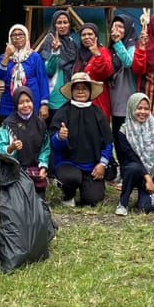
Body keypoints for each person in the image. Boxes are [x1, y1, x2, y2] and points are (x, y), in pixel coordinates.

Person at [49, 72, 113, 207]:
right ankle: (68, 194)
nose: (80, 91)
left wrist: (102, 164)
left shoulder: (98, 114)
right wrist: (60, 137)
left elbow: (108, 143)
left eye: (84, 88)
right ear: (71, 91)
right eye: (77, 88)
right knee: (70, 178)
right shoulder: (62, 112)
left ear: (90, 91)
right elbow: (54, 145)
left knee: (93, 199)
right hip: (68, 163)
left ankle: (88, 189)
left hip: (92, 166)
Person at [114, 93, 154, 215]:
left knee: (145, 208)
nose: (142, 112)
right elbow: (130, 157)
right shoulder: (124, 131)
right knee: (134, 167)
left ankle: (145, 196)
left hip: (153, 172)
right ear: (131, 108)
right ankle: (123, 203)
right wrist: (147, 178)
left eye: (146, 108)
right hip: (133, 172)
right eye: (139, 108)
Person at [0, 86, 50, 195]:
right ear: (16, 104)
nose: (25, 105)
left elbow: (45, 148)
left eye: (28, 101)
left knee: (38, 204)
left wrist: (43, 167)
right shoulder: (8, 125)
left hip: (34, 171)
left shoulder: (40, 125)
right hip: (14, 171)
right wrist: (11, 148)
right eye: (21, 103)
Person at [0, 23, 51, 120]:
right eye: (14, 35)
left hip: (31, 103)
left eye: (21, 34)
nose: (17, 37)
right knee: (8, 133)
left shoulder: (34, 57)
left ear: (26, 37)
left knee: (30, 133)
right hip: (8, 104)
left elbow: (43, 80)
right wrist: (7, 56)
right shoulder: (4, 57)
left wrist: (44, 104)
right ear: (10, 38)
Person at [37, 8, 80, 114]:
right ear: (54, 25)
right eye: (59, 23)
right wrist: (55, 52)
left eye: (65, 22)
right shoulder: (49, 41)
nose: (62, 26)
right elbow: (48, 70)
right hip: (54, 92)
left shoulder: (72, 43)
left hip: (69, 91)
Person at [105, 13, 138, 133]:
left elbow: (129, 62)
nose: (117, 30)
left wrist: (118, 43)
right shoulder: (110, 48)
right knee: (117, 137)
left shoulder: (132, 45)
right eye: (115, 26)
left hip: (128, 99)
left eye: (121, 27)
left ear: (128, 28)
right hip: (114, 99)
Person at [75, 23, 115, 116]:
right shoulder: (78, 54)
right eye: (83, 35)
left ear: (96, 36)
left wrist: (97, 55)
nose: (86, 37)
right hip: (80, 100)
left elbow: (106, 73)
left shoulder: (103, 51)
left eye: (90, 34)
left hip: (98, 100)